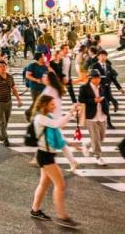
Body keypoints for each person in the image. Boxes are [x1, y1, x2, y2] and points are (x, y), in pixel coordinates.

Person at [29, 94, 80, 229]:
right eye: (52, 104)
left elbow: (57, 131)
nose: (54, 106)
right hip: (45, 156)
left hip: (46, 154)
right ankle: (62, 217)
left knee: (44, 184)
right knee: (60, 185)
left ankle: (35, 210)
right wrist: (70, 112)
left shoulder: (47, 117)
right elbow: (57, 124)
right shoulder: (40, 118)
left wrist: (73, 145)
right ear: (44, 105)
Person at [77, 68, 109, 165]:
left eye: (99, 77)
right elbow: (81, 100)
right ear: (91, 78)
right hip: (91, 116)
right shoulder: (84, 88)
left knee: (101, 137)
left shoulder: (102, 87)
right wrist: (93, 100)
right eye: (96, 77)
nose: (98, 79)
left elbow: (106, 98)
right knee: (96, 138)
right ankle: (97, 156)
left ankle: (86, 145)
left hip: (102, 115)